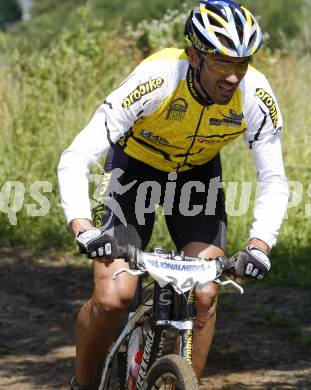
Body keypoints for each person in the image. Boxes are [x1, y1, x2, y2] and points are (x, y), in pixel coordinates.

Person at [58, 1, 289, 388]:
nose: (233, 77)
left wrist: (260, 245)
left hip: (196, 177)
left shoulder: (255, 94)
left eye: (242, 63)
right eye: (221, 62)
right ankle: (82, 384)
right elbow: (77, 155)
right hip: (134, 173)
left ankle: (186, 382)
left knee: (205, 293)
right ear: (194, 56)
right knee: (114, 296)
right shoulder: (158, 77)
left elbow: (274, 178)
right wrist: (83, 227)